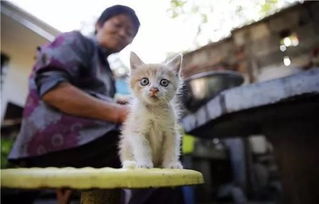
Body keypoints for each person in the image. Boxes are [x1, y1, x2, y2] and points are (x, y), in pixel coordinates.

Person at [8, 4, 185, 204]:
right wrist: (119, 112)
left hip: (88, 143)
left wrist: (121, 104)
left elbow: (101, 103)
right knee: (151, 143)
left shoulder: (106, 71)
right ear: (99, 24)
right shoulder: (74, 41)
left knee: (159, 144)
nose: (122, 34)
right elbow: (53, 90)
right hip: (54, 141)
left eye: (129, 33)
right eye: (118, 25)